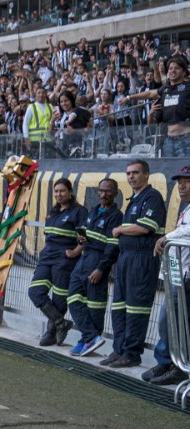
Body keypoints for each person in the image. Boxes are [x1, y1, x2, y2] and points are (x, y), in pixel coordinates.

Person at [101, 160, 167, 369]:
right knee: (119, 306)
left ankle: (131, 354)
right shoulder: (133, 200)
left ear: (146, 175)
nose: (131, 177)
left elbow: (146, 227)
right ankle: (119, 349)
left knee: (136, 308)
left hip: (142, 259)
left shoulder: (153, 197)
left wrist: (120, 230)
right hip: (126, 258)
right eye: (128, 173)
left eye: (136, 173)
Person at [142, 165, 190, 385]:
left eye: (186, 181)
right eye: (179, 181)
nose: (181, 185)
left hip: (185, 277)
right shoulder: (186, 208)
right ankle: (169, 362)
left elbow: (187, 232)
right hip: (177, 273)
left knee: (176, 321)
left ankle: (180, 366)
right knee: (168, 321)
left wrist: (165, 237)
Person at [67, 178, 122, 357]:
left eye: (108, 191)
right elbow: (85, 233)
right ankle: (91, 336)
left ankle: (87, 340)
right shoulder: (92, 210)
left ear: (115, 194)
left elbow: (113, 246)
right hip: (84, 259)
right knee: (73, 298)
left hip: (98, 262)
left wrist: (101, 268)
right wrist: (81, 238)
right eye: (101, 190)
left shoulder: (116, 216)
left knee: (95, 306)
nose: (103, 194)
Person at [29, 178, 87, 346]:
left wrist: (75, 251)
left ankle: (50, 333)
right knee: (35, 292)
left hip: (64, 260)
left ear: (70, 192)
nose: (58, 194)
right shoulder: (53, 212)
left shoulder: (79, 211)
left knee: (59, 299)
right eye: (56, 191)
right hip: (47, 259)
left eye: (62, 191)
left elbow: (85, 237)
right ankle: (61, 323)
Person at [119, 55, 190, 157]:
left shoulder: (188, 87)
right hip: (168, 140)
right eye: (170, 68)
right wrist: (129, 98)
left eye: (177, 68)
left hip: (186, 139)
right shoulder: (166, 89)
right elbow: (149, 94)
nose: (172, 71)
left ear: (184, 71)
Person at [23, 86, 53, 157]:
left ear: (46, 94)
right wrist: (26, 138)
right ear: (35, 95)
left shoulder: (50, 106)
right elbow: (25, 124)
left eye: (43, 93)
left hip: (47, 140)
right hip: (34, 140)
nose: (41, 95)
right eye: (39, 93)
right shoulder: (31, 107)